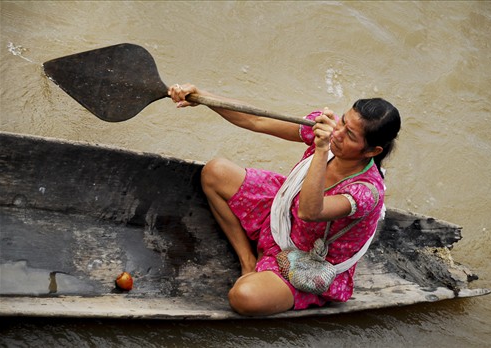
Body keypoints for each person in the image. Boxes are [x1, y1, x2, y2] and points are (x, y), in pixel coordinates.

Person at [169, 83, 401, 316]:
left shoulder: (366, 192)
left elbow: (310, 212)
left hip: (307, 258)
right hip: (283, 210)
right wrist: (201, 97)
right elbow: (256, 121)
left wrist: (321, 150)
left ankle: (264, 269)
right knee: (215, 172)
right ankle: (248, 261)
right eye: (342, 121)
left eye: (349, 135)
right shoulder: (326, 130)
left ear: (372, 151)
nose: (336, 134)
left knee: (243, 298)